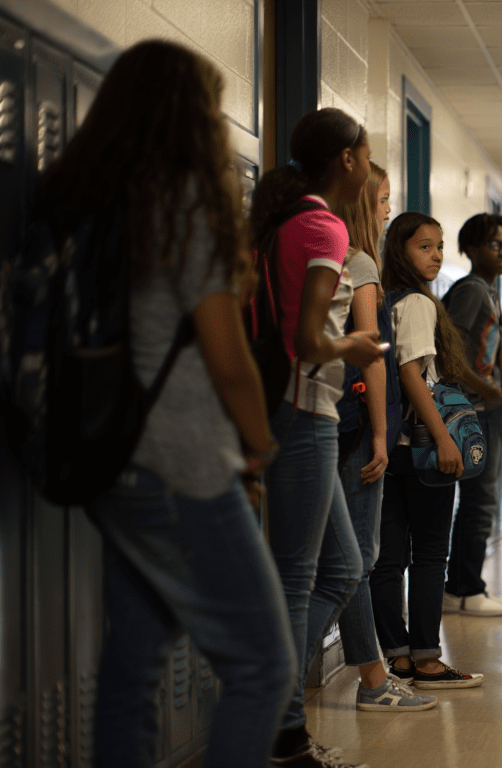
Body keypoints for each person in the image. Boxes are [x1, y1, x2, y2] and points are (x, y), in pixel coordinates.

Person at [42, 40, 292, 768]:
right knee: (262, 665)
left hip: (112, 458)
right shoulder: (184, 197)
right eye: (212, 108)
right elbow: (227, 356)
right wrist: (260, 445)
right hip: (182, 464)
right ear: (188, 114)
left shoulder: (89, 191)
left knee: (137, 661)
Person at [249, 107, 385, 767]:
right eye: (365, 155)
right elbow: (306, 342)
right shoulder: (323, 225)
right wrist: (355, 345)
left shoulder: (289, 218)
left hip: (294, 411)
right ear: (348, 159)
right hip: (303, 411)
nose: (367, 167)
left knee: (340, 566)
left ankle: (276, 722)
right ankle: (277, 728)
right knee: (303, 576)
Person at [331, 165, 436, 713]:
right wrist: (379, 433)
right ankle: (295, 675)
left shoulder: (331, 255)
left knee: (344, 561)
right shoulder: (361, 263)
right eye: (381, 202)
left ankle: (371, 672)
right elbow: (373, 355)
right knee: (354, 561)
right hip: (353, 432)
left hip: (329, 427)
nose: (386, 212)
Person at [370, 212, 483, 691]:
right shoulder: (417, 303)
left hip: (389, 447)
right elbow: (412, 373)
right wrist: (442, 439)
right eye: (424, 247)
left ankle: (397, 659)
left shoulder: (384, 300)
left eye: (439, 246)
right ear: (401, 252)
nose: (436, 255)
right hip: (419, 449)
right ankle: (428, 662)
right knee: (431, 552)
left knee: (388, 558)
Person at [441, 213, 502, 618]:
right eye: (494, 244)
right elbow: (448, 349)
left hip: (488, 408)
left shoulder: (488, 290)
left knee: (479, 501)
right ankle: (464, 589)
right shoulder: (471, 290)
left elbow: (497, 341)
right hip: (472, 409)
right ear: (471, 249)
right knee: (478, 503)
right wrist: (490, 389)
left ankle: (466, 586)